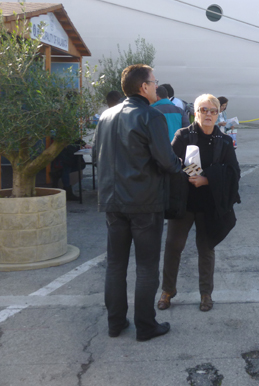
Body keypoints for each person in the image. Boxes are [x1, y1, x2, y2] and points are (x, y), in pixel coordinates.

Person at [93, 64, 182, 342]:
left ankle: (115, 323)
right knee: (146, 267)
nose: (156, 86)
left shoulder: (106, 115)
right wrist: (181, 163)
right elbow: (166, 161)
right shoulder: (151, 116)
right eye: (154, 82)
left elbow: (96, 156)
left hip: (112, 201)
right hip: (144, 202)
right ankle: (145, 326)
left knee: (115, 265)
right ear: (144, 87)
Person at [157, 94, 240, 313]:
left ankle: (206, 293)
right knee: (173, 246)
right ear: (196, 113)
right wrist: (185, 170)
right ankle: (167, 290)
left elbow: (233, 172)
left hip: (209, 204)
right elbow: (169, 163)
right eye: (204, 110)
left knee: (206, 249)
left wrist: (207, 179)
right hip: (183, 203)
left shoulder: (224, 141)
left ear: (218, 114)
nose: (208, 114)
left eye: (213, 111)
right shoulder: (183, 136)